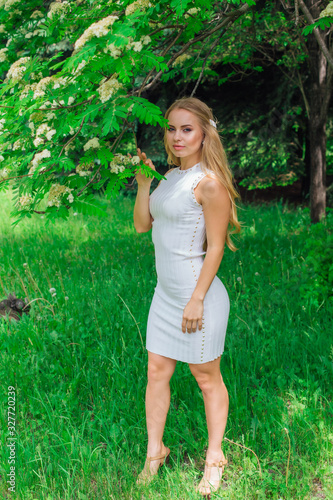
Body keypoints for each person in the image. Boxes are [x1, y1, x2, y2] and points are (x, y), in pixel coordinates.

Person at [133, 97, 240, 497]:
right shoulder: (170, 176)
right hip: (165, 294)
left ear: (204, 133)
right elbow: (144, 225)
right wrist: (145, 185)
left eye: (187, 129)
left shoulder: (208, 183)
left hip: (199, 295)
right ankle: (155, 451)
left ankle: (215, 458)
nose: (177, 137)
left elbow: (215, 247)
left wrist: (196, 300)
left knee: (205, 377)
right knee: (156, 373)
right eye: (172, 129)